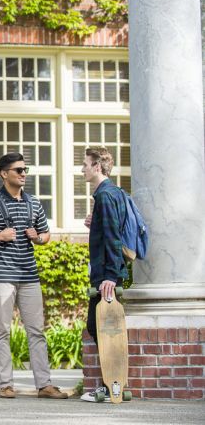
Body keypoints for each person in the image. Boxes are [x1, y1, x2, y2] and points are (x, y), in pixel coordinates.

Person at [0, 152, 68, 400]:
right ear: (4, 174)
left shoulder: (33, 203)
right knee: (1, 331)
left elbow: (45, 235)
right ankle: (6, 385)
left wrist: (38, 238)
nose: (23, 174)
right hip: (0, 276)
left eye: (25, 170)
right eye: (18, 170)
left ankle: (44, 385)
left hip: (29, 275)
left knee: (37, 331)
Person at [80, 146, 128, 402]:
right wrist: (94, 222)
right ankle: (110, 386)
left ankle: (111, 387)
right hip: (106, 272)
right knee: (99, 327)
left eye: (85, 164)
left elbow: (113, 238)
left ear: (97, 166)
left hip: (106, 275)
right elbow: (109, 228)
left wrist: (109, 276)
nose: (82, 169)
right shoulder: (110, 194)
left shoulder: (106, 196)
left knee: (102, 328)